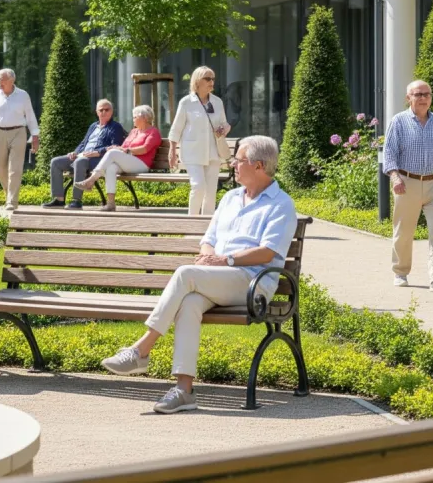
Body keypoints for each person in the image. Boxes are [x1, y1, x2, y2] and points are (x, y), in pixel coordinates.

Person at [100, 136, 297, 413]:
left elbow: (267, 252)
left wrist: (222, 260)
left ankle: (141, 350)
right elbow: (210, 238)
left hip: (252, 283)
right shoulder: (230, 198)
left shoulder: (281, 204)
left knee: (185, 274)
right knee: (190, 302)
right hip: (218, 278)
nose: (233, 165)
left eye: (239, 160)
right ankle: (184, 391)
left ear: (259, 166)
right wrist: (209, 256)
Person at [382, 80, 433, 294]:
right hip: (408, 183)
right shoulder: (398, 122)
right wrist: (395, 177)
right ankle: (400, 271)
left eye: (427, 94)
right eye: (418, 94)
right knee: (404, 232)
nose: (423, 98)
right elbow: (389, 154)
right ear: (409, 98)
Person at [75, 105, 162, 212]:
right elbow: (124, 147)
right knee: (111, 167)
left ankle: (91, 180)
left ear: (144, 118)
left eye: (135, 117)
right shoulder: (134, 131)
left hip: (141, 164)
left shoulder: (153, 132)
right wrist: (117, 148)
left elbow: (145, 149)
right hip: (128, 161)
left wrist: (127, 150)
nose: (133, 119)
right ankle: (111, 203)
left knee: (112, 153)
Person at [169, 66, 230, 215]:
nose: (211, 82)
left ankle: (207, 229)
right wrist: (172, 151)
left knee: (210, 192)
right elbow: (176, 128)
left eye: (213, 78)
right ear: (197, 81)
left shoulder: (217, 102)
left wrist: (223, 130)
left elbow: (225, 123)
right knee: (198, 186)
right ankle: (192, 223)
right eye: (207, 78)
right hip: (193, 152)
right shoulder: (186, 102)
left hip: (213, 152)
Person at [44, 100, 126, 210]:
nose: (104, 112)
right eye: (101, 110)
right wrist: (75, 152)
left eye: (107, 109)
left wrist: (97, 152)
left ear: (112, 112)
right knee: (56, 162)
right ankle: (59, 200)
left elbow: (115, 146)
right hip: (82, 155)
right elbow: (83, 143)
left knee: (80, 162)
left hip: (99, 159)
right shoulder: (93, 126)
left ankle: (76, 201)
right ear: (97, 112)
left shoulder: (115, 127)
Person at [0, 69, 40, 212]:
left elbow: (30, 116)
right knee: (0, 169)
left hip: (19, 132)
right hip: (0, 133)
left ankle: (12, 201)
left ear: (12, 80)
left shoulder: (23, 95)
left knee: (15, 169)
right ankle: (9, 194)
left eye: (3, 79)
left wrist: (35, 136)